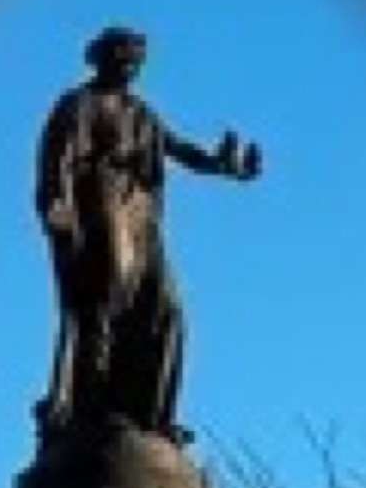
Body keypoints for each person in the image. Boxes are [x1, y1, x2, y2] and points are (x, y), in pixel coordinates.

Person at [34, 26, 261, 437]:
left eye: (136, 61)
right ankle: (93, 408)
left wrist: (222, 165)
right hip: (101, 205)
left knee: (166, 310)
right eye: (122, 58)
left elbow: (177, 149)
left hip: (141, 215)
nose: (130, 67)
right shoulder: (78, 105)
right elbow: (56, 162)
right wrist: (57, 205)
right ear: (101, 59)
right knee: (102, 305)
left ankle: (150, 415)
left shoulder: (141, 113)